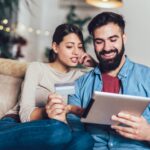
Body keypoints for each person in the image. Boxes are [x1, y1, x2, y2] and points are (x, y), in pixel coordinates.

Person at [48, 12, 150, 149]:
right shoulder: (79, 85)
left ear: (123, 38)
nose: (107, 48)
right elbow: (75, 137)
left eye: (113, 39)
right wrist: (60, 120)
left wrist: (148, 134)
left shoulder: (147, 77)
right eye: (99, 42)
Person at [0, 23, 95, 150]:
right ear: (55, 47)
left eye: (80, 47)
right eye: (69, 46)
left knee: (85, 139)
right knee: (59, 131)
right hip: (16, 124)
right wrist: (48, 111)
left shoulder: (80, 76)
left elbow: (106, 78)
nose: (76, 52)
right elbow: (25, 114)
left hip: (57, 130)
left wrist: (95, 64)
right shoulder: (37, 68)